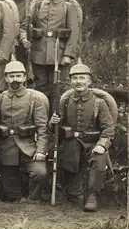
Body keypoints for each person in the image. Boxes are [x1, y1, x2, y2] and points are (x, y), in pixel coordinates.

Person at [49, 60, 115, 212]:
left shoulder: (99, 103)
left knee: (99, 160)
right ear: (70, 81)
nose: (78, 82)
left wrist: (102, 144)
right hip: (71, 142)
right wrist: (53, 123)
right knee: (68, 154)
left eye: (82, 78)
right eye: (75, 78)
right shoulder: (65, 101)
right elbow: (54, 129)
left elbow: (108, 128)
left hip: (93, 144)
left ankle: (92, 195)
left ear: (89, 80)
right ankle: (73, 192)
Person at [0, 61, 48, 202]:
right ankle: (15, 199)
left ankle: (33, 199)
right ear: (6, 78)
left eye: (18, 76)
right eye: (11, 76)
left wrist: (40, 150)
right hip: (6, 146)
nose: (15, 79)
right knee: (10, 193)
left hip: (29, 145)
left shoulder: (35, 99)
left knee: (39, 173)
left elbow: (42, 128)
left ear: (25, 77)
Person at [20, 0, 80, 109]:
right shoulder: (37, 5)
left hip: (59, 53)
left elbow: (74, 32)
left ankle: (56, 119)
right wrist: (24, 38)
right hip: (38, 52)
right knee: (40, 87)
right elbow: (24, 26)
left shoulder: (68, 6)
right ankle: (42, 118)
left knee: (57, 88)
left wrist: (67, 54)